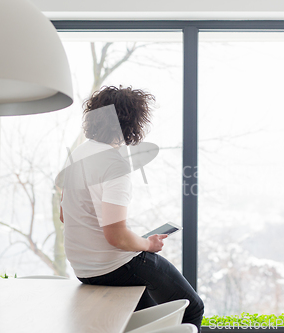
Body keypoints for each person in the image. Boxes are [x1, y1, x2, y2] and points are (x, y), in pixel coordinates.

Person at [58, 85, 204, 330]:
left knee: (147, 322)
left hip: (84, 269)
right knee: (192, 308)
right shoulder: (115, 165)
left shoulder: (78, 154)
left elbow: (65, 215)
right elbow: (116, 236)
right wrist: (149, 244)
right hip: (116, 266)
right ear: (133, 123)